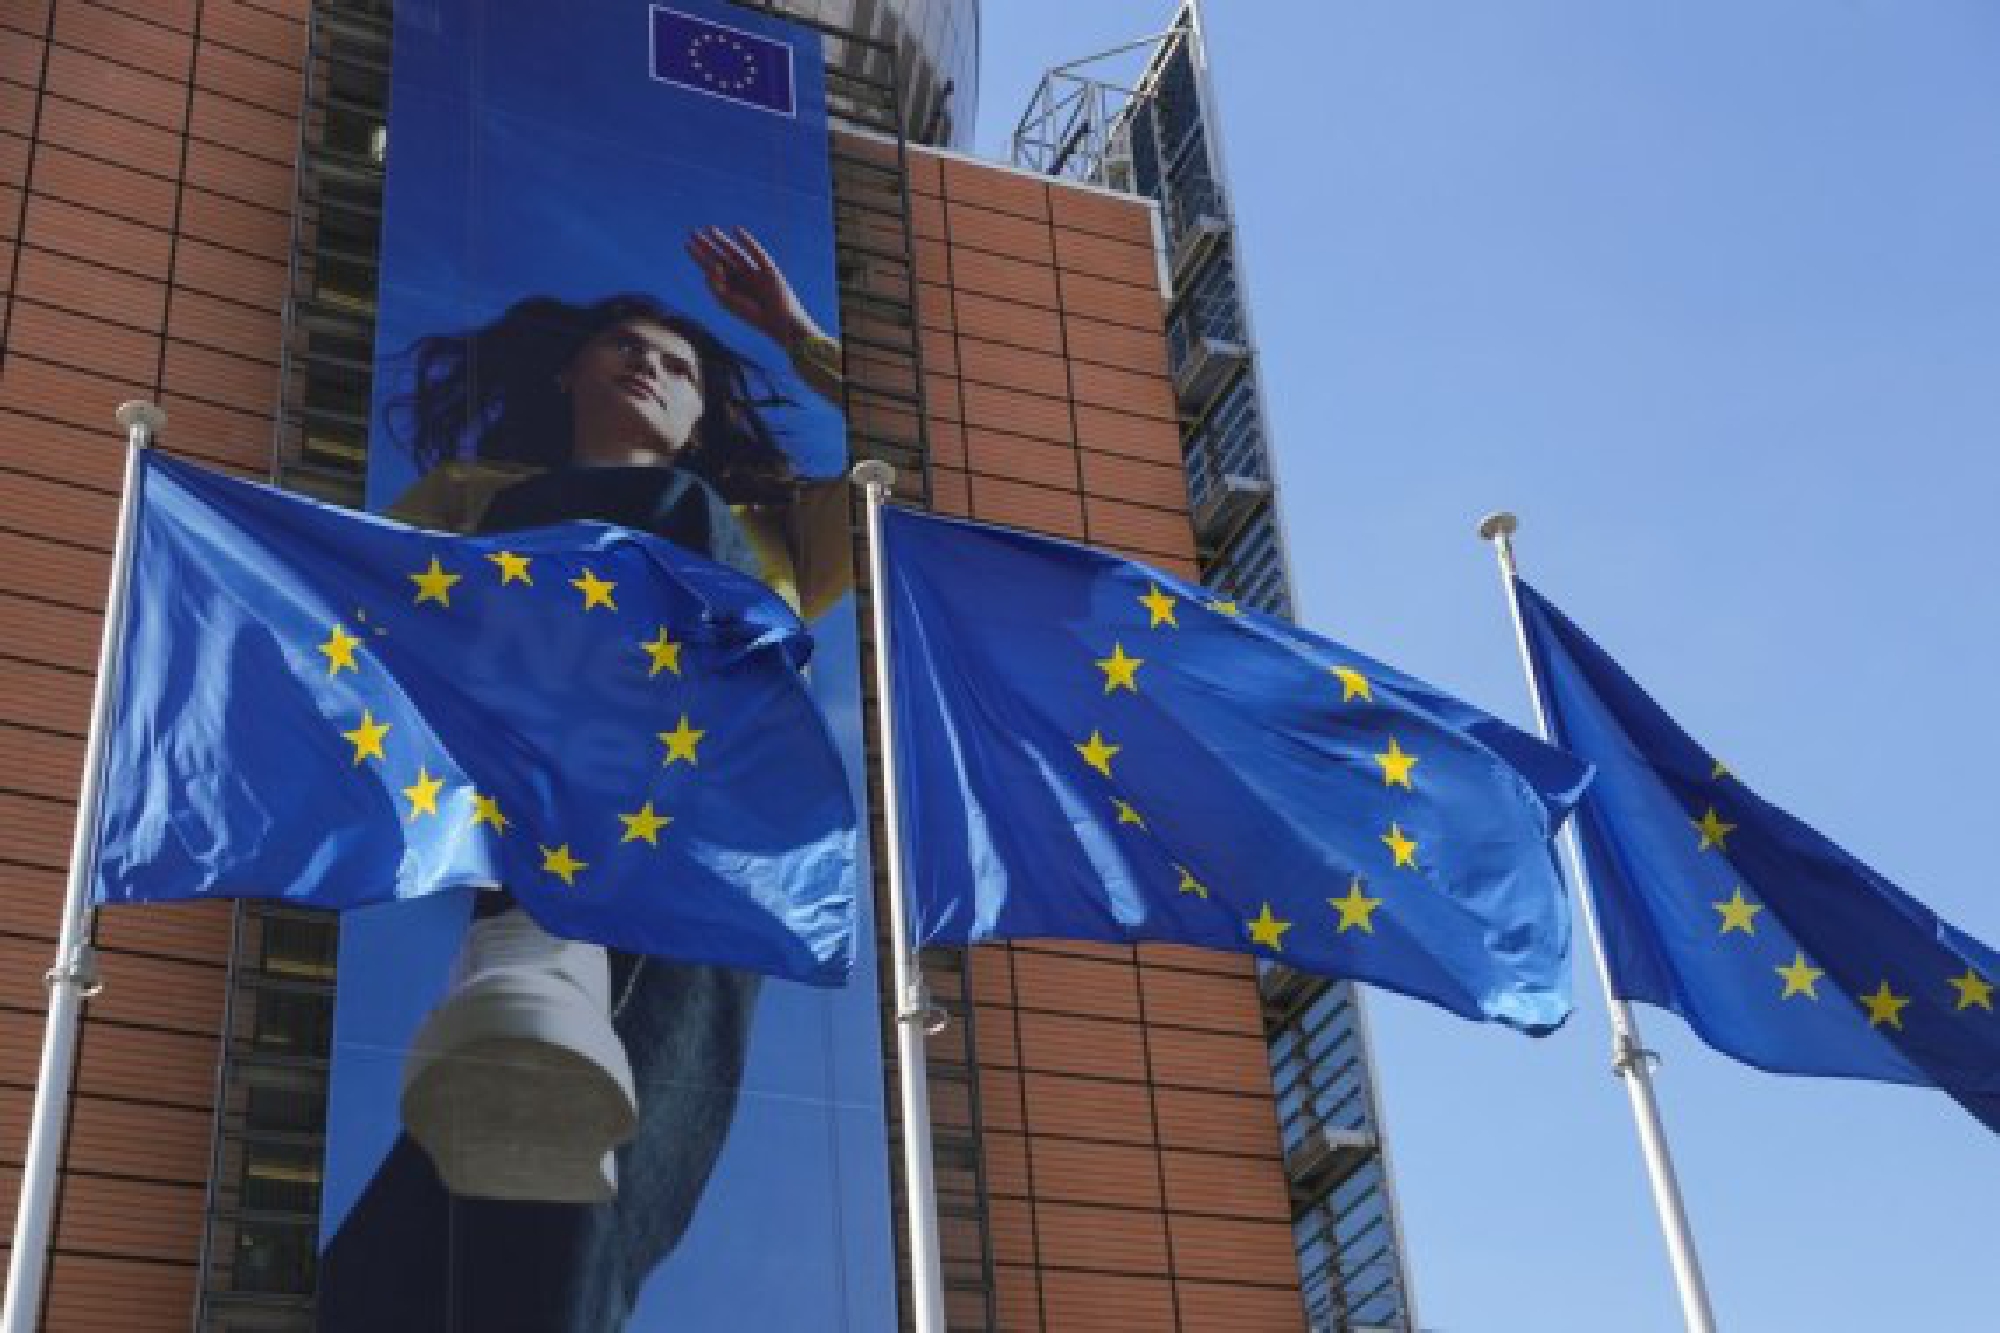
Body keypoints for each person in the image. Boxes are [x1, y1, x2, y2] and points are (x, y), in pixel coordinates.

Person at [317, 227, 850, 1332]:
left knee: (594, 1165)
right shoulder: (474, 496)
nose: (648, 365)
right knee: (533, 1146)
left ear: (704, 414)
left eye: (679, 365)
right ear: (568, 369)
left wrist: (796, 337)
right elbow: (362, 613)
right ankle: (540, 943)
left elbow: (930, 456)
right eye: (622, 345)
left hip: (707, 841)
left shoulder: (773, 527)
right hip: (540, 799)